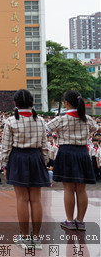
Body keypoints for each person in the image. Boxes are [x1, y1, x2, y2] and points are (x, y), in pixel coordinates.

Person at [1, 89, 50, 250]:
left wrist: (4, 165)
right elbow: (45, 145)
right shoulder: (41, 121)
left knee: (21, 199)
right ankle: (36, 238)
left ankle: (24, 237)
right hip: (36, 157)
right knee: (36, 199)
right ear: (32, 103)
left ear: (15, 103)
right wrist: (44, 162)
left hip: (18, 158)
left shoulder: (10, 121)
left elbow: (6, 147)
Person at [46, 90, 100, 231]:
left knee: (69, 189)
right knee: (81, 190)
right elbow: (96, 127)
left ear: (66, 103)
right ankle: (80, 221)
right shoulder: (87, 118)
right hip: (82, 153)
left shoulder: (61, 119)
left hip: (66, 153)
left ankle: (70, 221)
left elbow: (46, 128)